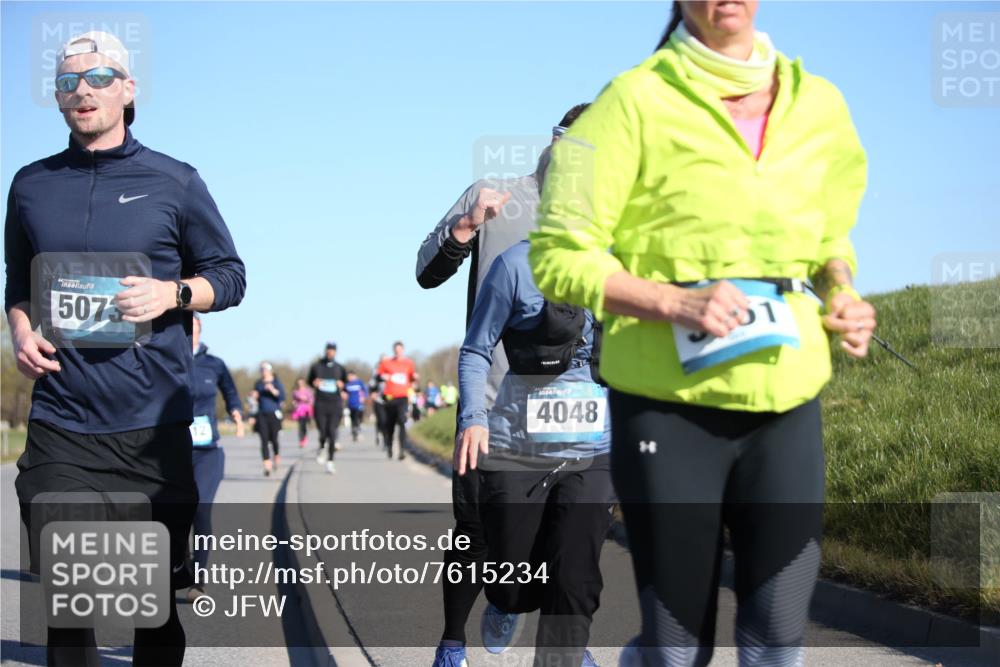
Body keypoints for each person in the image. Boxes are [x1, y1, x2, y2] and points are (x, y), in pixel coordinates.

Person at [529, 3, 877, 665]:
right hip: (666, 407)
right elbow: (557, 254)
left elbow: (831, 237)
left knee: (778, 631)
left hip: (785, 395)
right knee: (678, 646)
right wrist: (674, 302)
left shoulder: (820, 104)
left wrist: (841, 291)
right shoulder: (628, 101)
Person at [5, 31, 245, 666]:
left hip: (150, 433)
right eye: (67, 82)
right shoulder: (30, 185)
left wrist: (173, 293)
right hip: (62, 424)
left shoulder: (175, 182)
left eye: (99, 77)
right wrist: (22, 331)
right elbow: (17, 284)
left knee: (151, 607)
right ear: (58, 98)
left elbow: (230, 277)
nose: (82, 90)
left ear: (128, 89)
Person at [416, 106, 589, 667]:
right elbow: (426, 271)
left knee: (570, 534)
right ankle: (452, 642)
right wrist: (467, 226)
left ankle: (566, 643)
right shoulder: (498, 196)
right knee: (474, 529)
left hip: (572, 412)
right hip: (492, 400)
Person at [455, 240, 610, 667]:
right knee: (513, 583)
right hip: (517, 449)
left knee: (575, 577)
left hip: (594, 450)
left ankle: (568, 653)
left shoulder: (620, 263)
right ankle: (506, 603)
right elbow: (475, 350)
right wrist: (473, 418)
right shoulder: (514, 266)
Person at [187, 314, 243, 601]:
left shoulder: (214, 364)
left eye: (192, 324)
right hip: (173, 449)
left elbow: (230, 391)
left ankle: (198, 580)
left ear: (200, 329)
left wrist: (236, 411)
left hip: (207, 450)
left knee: (201, 508)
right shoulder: (166, 361)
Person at [308, 342, 347, 472]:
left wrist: (342, 387)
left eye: (332, 350)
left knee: (332, 432)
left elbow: (346, 384)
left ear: (335, 352)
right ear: (325, 351)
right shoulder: (317, 366)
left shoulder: (339, 368)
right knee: (323, 431)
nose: (330, 352)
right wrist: (314, 383)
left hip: (335, 403)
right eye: (328, 350)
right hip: (320, 403)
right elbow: (309, 381)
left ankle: (330, 461)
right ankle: (321, 446)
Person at [376, 341, 418, 461]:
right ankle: (389, 445)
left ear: (403, 350)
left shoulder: (409, 363)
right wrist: (383, 377)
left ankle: (402, 450)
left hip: (403, 397)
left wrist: (415, 378)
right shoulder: (386, 363)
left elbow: (412, 378)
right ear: (393, 351)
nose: (398, 352)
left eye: (400, 350)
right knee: (390, 424)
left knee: (402, 421)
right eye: (396, 350)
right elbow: (378, 376)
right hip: (390, 398)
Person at [254, 362, 285, 476]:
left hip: (274, 414)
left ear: (270, 370)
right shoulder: (258, 384)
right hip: (262, 414)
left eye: (266, 369)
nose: (264, 371)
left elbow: (282, 397)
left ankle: (276, 456)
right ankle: (267, 464)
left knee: (274, 439)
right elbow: (255, 400)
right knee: (264, 440)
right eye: (262, 369)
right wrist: (254, 396)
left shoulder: (276, 382)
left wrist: (273, 390)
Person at [370, 355, 389, 447]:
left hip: (390, 400)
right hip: (379, 399)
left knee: (389, 420)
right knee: (381, 419)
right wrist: (372, 393)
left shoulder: (392, 370)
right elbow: (372, 384)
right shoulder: (376, 372)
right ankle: (382, 436)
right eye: (382, 361)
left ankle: (387, 437)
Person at [344, 370, 369, 442]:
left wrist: (364, 397)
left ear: (354, 376)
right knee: (352, 417)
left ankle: (357, 428)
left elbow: (365, 390)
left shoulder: (359, 382)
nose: (349, 378)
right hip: (350, 403)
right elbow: (344, 392)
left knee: (358, 416)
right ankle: (354, 430)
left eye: (350, 376)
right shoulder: (347, 384)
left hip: (358, 403)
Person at [291, 377, 315, 448]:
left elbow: (312, 400)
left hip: (307, 410)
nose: (300, 384)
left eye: (301, 383)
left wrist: (306, 399)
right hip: (299, 411)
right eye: (299, 383)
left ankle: (305, 435)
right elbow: (294, 400)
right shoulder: (295, 392)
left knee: (305, 425)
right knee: (301, 426)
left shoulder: (308, 391)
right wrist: (294, 403)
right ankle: (302, 440)